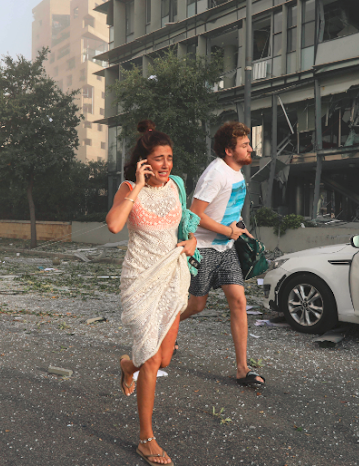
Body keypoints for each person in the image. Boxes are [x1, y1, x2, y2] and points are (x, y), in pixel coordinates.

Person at [106, 120, 196, 465]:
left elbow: (187, 224)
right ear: (144, 161)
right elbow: (114, 225)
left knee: (163, 359)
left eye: (169, 158)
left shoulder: (176, 185)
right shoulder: (130, 186)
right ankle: (146, 438)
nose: (166, 165)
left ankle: (129, 365)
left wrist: (190, 243)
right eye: (158, 158)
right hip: (140, 279)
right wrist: (138, 186)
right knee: (154, 359)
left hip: (173, 276)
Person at [179, 121, 266, 388]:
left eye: (248, 144)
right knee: (196, 305)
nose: (250, 149)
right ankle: (164, 326)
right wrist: (227, 232)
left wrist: (242, 230)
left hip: (226, 250)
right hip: (203, 249)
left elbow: (230, 211)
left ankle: (243, 369)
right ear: (229, 150)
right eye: (244, 145)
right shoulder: (215, 174)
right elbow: (194, 215)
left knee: (238, 301)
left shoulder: (237, 174)